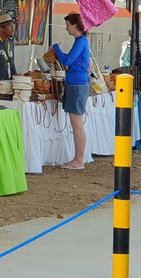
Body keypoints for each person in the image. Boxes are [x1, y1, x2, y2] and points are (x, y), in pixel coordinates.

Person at [52, 13, 90, 170]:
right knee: (76, 124)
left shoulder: (81, 41)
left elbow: (67, 61)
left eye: (68, 25)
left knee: (77, 124)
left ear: (75, 26)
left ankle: (79, 159)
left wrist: (56, 48)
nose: (66, 28)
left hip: (77, 84)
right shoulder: (80, 42)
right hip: (75, 83)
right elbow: (71, 59)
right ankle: (78, 158)